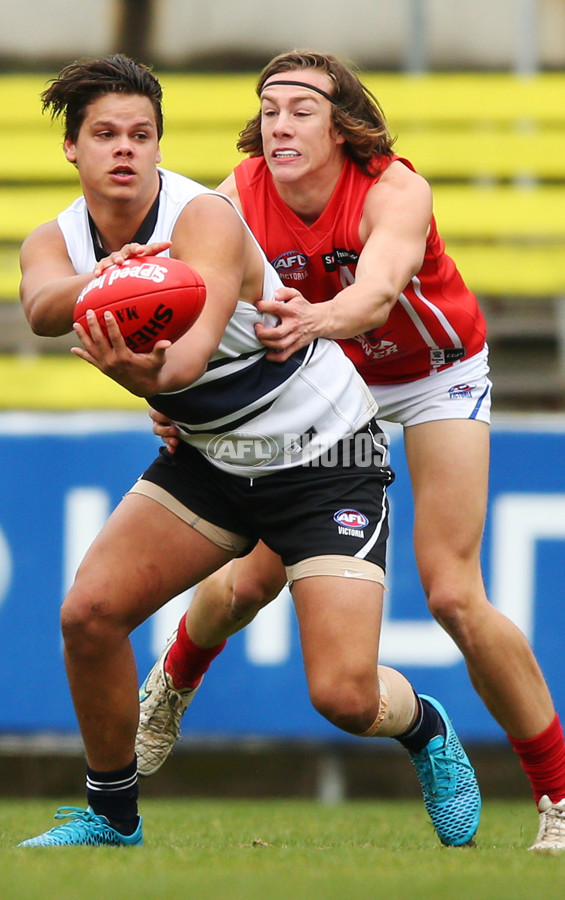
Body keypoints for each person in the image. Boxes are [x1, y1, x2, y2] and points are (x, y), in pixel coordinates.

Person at [136, 50, 565, 853]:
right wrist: (175, 398)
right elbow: (191, 306)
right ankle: (173, 681)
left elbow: (379, 291)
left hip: (434, 375)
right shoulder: (234, 198)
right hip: (324, 384)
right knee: (248, 578)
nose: (279, 122)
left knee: (454, 593)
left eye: (301, 108)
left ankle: (564, 803)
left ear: (343, 124)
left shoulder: (393, 187)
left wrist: (312, 321)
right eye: (269, 107)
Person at [17, 54, 480, 849]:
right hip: (214, 460)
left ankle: (425, 726)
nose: (124, 149)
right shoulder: (56, 239)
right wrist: (104, 281)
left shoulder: (205, 221)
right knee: (88, 615)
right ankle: (111, 817)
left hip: (323, 455)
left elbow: (187, 363)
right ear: (73, 149)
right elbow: (40, 307)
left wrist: (137, 376)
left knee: (342, 694)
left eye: (141, 134)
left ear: (162, 146)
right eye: (105, 135)